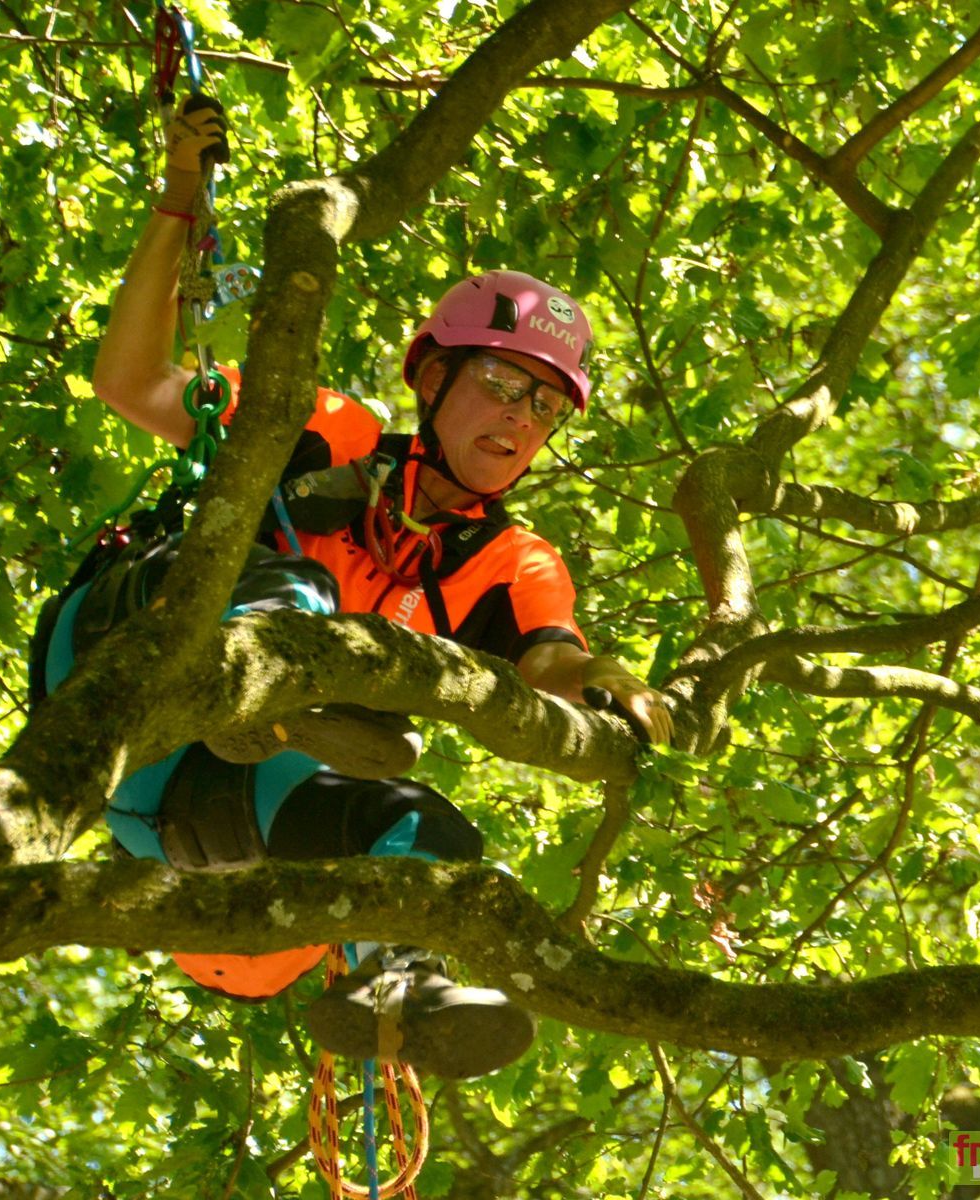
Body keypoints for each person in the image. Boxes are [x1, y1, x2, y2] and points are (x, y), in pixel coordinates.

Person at [55, 100, 673, 1079]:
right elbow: (136, 381)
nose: (523, 419)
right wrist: (183, 196)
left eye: (548, 407)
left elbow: (548, 658)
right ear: (432, 376)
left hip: (194, 797)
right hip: (125, 653)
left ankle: (400, 977)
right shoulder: (332, 435)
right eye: (505, 385)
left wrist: (602, 676)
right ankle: (269, 671)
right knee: (289, 587)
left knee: (426, 826)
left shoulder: (509, 559)